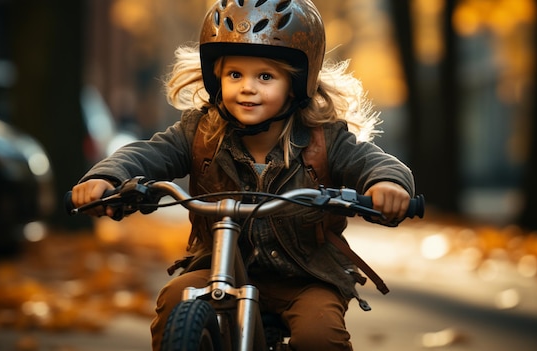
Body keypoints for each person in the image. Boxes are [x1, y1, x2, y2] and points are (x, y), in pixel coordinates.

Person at [71, 0, 415, 350]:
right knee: (177, 296)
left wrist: (386, 184)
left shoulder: (324, 139)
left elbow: (372, 161)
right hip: (216, 268)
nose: (247, 87)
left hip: (305, 279)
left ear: (297, 82)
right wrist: (109, 177)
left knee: (319, 335)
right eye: (235, 74)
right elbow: (148, 153)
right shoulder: (200, 133)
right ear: (216, 77)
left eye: (265, 76)